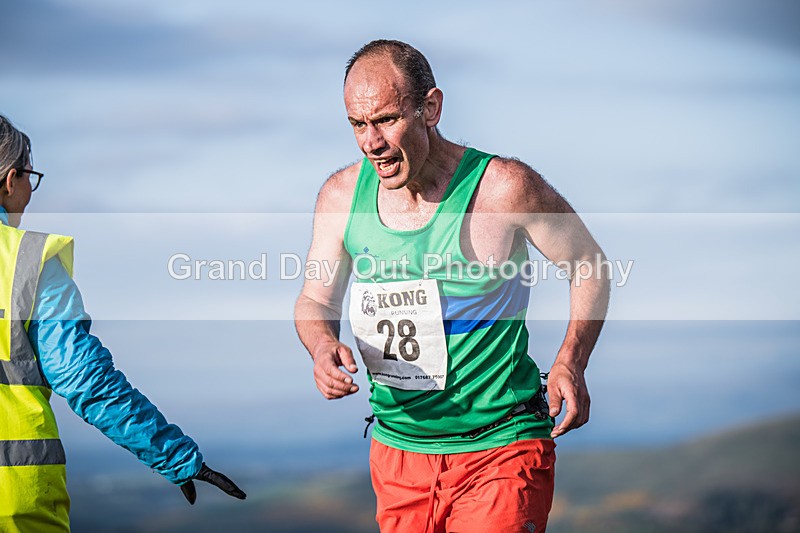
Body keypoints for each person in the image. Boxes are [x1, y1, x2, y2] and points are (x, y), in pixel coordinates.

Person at [295, 40, 610, 532]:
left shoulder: (503, 188)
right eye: (358, 124)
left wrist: (571, 359)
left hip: (501, 447)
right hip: (399, 452)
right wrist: (320, 346)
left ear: (431, 108)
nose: (370, 142)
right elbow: (315, 299)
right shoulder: (340, 197)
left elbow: (589, 264)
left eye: (385, 120)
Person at [0, 115, 246, 533]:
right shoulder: (27, 263)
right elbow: (87, 382)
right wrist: (175, 456)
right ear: (10, 178)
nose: (29, 191)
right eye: (30, 177)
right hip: (14, 505)